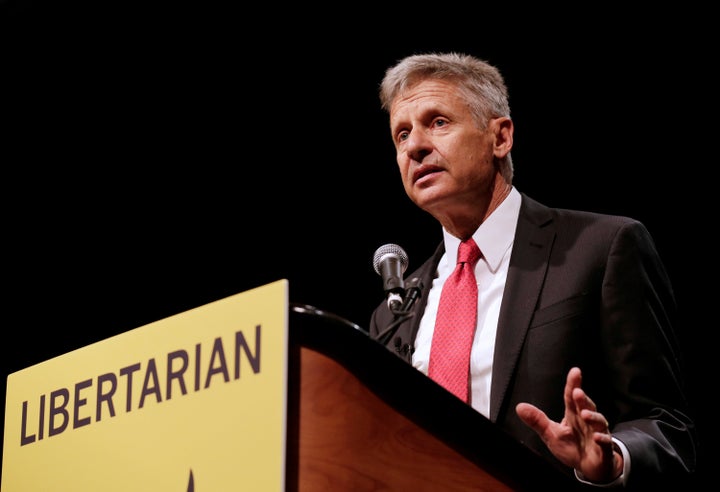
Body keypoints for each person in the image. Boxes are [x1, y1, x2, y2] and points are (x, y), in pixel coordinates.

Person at [368, 52, 698, 489]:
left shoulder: (600, 249)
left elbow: (665, 423)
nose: (415, 146)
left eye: (439, 122)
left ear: (500, 137)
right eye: (402, 134)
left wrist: (610, 459)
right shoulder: (393, 314)